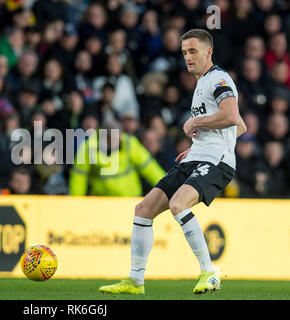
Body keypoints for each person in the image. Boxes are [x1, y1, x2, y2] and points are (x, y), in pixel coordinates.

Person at [99, 29, 247, 295]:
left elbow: (232, 117)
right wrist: (196, 146)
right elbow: (242, 127)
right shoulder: (201, 83)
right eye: (184, 53)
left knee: (179, 204)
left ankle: (209, 273)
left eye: (193, 51)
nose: (188, 58)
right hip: (198, 157)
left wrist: (198, 124)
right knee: (143, 209)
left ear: (208, 52)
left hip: (217, 162)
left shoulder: (219, 78)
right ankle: (135, 280)